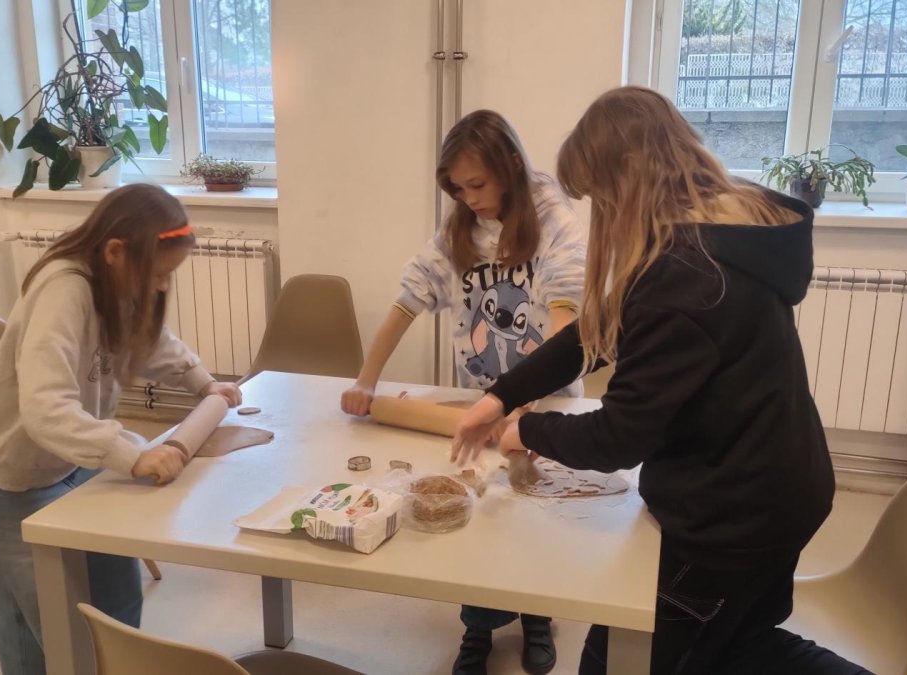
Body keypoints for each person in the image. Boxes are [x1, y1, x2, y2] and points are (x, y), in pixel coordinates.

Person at [451, 87, 873, 675]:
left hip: (738, 512)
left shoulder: (686, 275)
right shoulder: (719, 229)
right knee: (728, 643)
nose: (601, 214)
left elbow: (618, 437)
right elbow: (596, 333)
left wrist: (526, 430)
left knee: (628, 657)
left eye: (600, 196)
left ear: (629, 172)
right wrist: (502, 396)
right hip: (779, 484)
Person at [341, 110, 587, 675]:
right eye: (457, 188)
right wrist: (366, 380)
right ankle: (477, 627)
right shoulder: (460, 231)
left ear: (512, 167)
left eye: (477, 184)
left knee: (532, 510)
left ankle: (537, 616)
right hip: (480, 400)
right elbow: (407, 300)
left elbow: (565, 317)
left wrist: (524, 409)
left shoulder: (554, 220)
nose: (468, 198)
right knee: (482, 512)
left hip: (546, 400)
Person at [0, 184, 241, 675]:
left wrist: (204, 383)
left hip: (78, 460)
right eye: (157, 274)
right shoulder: (62, 289)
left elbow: (150, 340)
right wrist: (131, 453)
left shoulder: (118, 283)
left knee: (116, 599)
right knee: (46, 627)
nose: (162, 286)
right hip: (16, 477)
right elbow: (45, 408)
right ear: (115, 251)